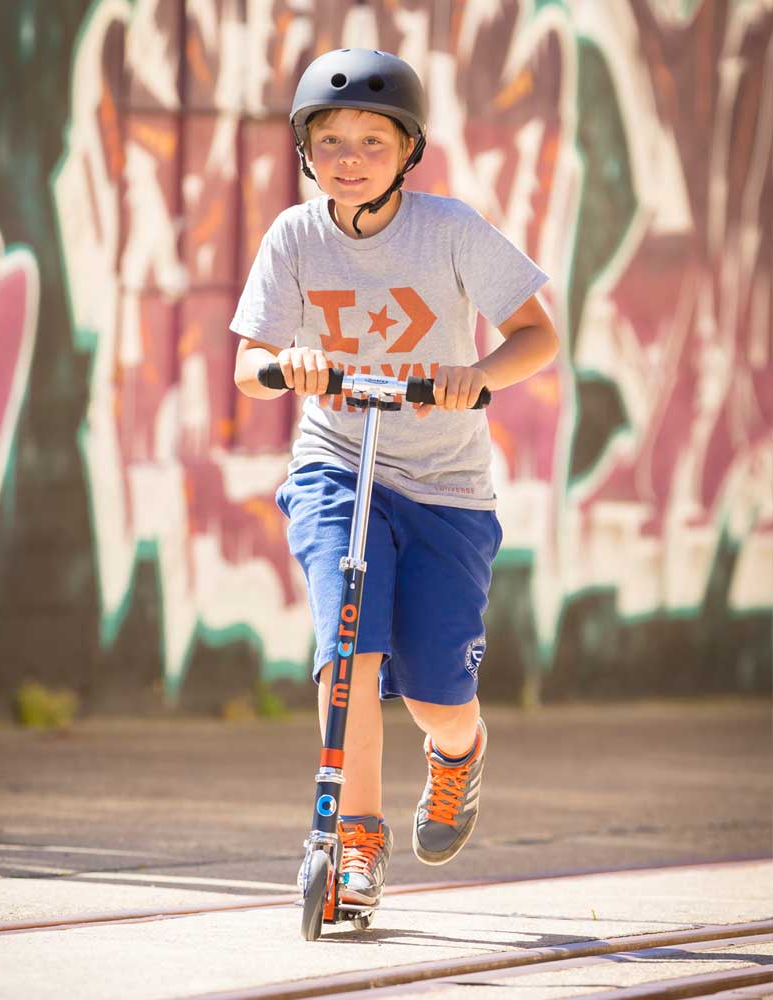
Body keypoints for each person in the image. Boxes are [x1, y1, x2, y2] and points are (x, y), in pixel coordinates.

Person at [231, 48, 558, 908]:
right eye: (330, 140)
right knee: (348, 655)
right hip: (337, 466)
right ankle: (355, 846)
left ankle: (459, 752)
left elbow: (538, 334)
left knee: (434, 695)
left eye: (371, 141)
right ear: (305, 150)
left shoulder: (448, 229)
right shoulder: (295, 237)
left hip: (445, 486)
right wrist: (286, 361)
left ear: (407, 150)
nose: (349, 158)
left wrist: (479, 374)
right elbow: (247, 363)